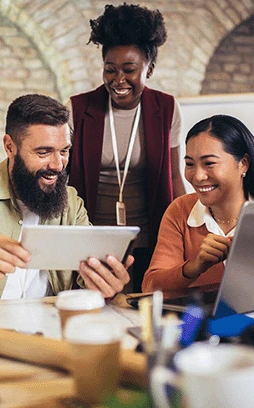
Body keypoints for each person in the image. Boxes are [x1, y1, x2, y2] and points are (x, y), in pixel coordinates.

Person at [0, 94, 133, 302]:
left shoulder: (71, 203)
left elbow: (90, 279)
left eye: (64, 151)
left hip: (46, 330)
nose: (58, 165)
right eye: (44, 152)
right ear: (10, 147)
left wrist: (104, 282)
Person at [67, 3, 185, 291]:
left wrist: (189, 229)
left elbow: (174, 176)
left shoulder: (166, 108)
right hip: (90, 237)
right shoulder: (78, 109)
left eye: (129, 69)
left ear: (150, 68)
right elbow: (61, 177)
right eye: (110, 70)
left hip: (149, 237)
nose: (118, 80)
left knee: (140, 307)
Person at [142, 114, 254, 293]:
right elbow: (150, 286)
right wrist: (193, 268)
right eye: (190, 164)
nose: (197, 176)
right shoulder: (181, 210)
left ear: (243, 164)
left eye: (209, 163)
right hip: (200, 320)